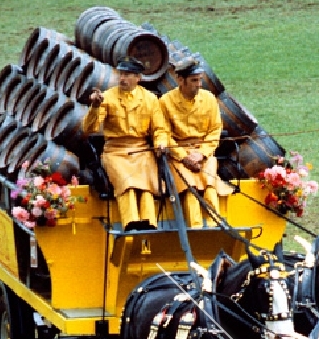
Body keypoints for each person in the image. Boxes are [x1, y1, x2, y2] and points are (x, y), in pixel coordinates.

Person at [81, 57, 164, 229]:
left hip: (142, 150)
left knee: (146, 185)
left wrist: (161, 143)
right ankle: (130, 222)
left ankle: (149, 222)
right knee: (127, 183)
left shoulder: (150, 99)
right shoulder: (108, 97)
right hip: (115, 151)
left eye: (127, 75)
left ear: (138, 78)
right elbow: (89, 128)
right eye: (121, 74)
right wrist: (95, 107)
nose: (122, 78)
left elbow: (159, 129)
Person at [157, 56, 224, 228]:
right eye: (194, 80)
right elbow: (164, 133)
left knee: (209, 185)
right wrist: (183, 156)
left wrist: (201, 154)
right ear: (180, 80)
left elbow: (215, 131)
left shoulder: (209, 99)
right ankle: (195, 228)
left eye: (200, 80)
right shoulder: (165, 101)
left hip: (203, 153)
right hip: (178, 155)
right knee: (189, 189)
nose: (199, 84)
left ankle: (216, 226)